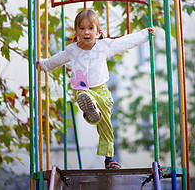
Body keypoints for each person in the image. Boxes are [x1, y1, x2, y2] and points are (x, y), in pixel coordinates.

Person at [36, 9, 155, 169]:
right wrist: (43, 64)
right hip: (83, 89)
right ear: (76, 31)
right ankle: (90, 108)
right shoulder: (72, 50)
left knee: (106, 124)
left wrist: (144, 35)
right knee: (85, 96)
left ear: (98, 32)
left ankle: (109, 157)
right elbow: (57, 60)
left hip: (102, 90)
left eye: (90, 28)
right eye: (82, 28)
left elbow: (125, 41)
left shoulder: (103, 46)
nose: (86, 32)